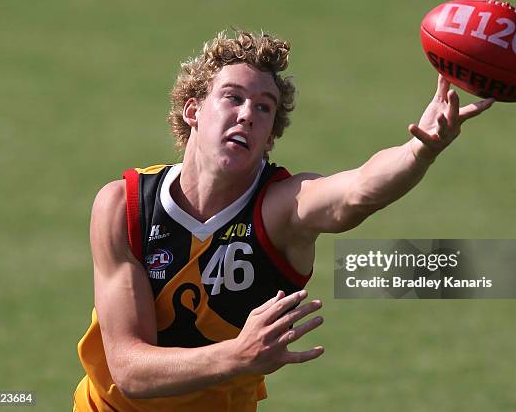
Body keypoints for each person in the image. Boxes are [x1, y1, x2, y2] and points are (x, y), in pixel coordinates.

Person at [73, 30, 494, 412]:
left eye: (263, 107)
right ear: (193, 111)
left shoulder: (281, 209)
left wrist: (418, 151)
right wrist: (239, 354)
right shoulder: (125, 205)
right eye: (232, 97)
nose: (246, 114)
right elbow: (130, 371)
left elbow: (357, 190)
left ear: (271, 135)